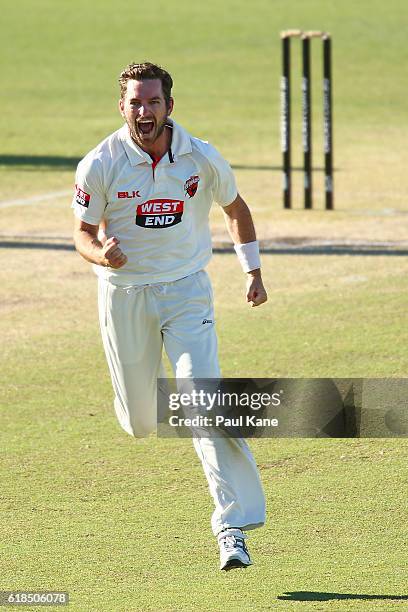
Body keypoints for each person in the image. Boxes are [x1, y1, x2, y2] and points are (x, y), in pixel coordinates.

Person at [72, 62, 268, 571]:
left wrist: (253, 271)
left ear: (169, 107)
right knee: (142, 422)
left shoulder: (200, 157)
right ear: (122, 107)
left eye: (153, 102)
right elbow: (82, 232)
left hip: (186, 293)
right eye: (135, 102)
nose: (144, 111)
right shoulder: (101, 162)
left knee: (201, 400)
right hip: (124, 296)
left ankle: (232, 526)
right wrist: (102, 255)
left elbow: (236, 207)